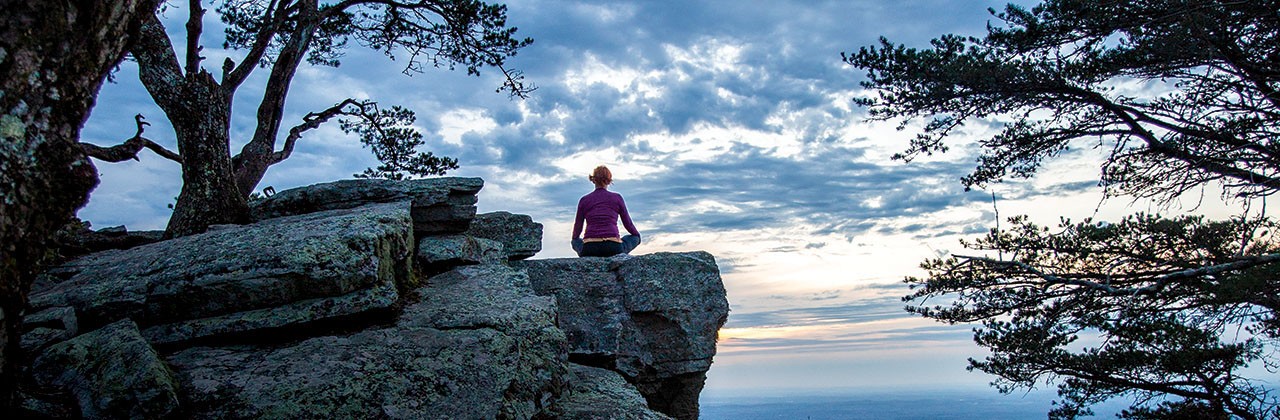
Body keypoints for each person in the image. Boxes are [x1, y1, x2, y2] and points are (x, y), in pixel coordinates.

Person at [572, 165, 641, 257]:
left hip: (590, 248)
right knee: (634, 238)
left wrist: (575, 239)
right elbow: (628, 224)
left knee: (575, 241)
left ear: (593, 180)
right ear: (609, 180)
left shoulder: (584, 200)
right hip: (613, 247)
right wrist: (637, 236)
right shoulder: (617, 198)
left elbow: (578, 228)